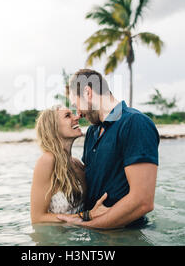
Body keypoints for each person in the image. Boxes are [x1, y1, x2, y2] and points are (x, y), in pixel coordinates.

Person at [57, 69, 159, 229]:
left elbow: (143, 202)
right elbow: (102, 178)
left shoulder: (135, 123)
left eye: (76, 104)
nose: (79, 113)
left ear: (87, 92)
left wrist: (87, 225)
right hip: (97, 234)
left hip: (125, 236)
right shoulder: (92, 132)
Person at [30, 105, 109, 224]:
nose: (77, 117)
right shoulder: (47, 160)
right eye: (68, 116)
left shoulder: (76, 163)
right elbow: (37, 218)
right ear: (53, 128)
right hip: (53, 240)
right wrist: (88, 215)